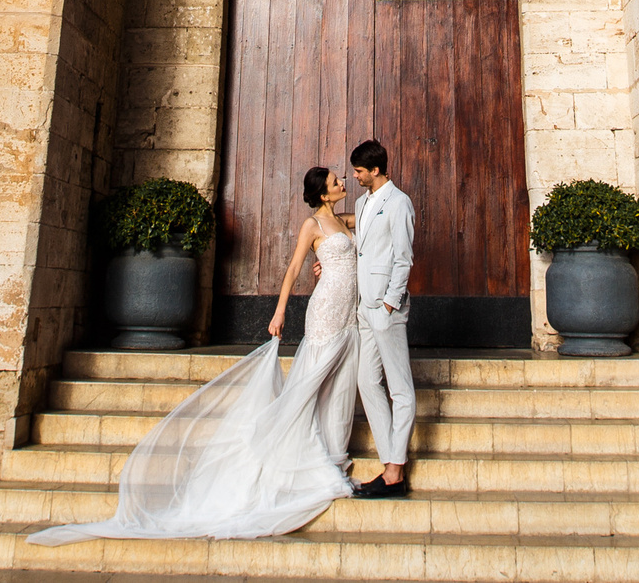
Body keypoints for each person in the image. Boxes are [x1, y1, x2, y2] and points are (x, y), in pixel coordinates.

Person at [28, 167, 362, 543]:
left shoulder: (348, 219)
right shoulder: (312, 225)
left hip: (348, 315)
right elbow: (293, 269)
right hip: (325, 313)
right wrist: (279, 311)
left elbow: (372, 213)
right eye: (336, 181)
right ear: (322, 193)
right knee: (309, 382)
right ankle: (295, 455)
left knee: (341, 384)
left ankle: (333, 452)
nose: (342, 184)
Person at [348, 138, 416, 498]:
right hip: (364, 307)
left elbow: (404, 257)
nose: (355, 175)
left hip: (386, 307)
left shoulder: (399, 202)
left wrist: (391, 302)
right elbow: (364, 248)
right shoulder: (361, 202)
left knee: (400, 388)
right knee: (367, 381)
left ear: (375, 170)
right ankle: (390, 458)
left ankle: (395, 471)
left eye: (359, 170)